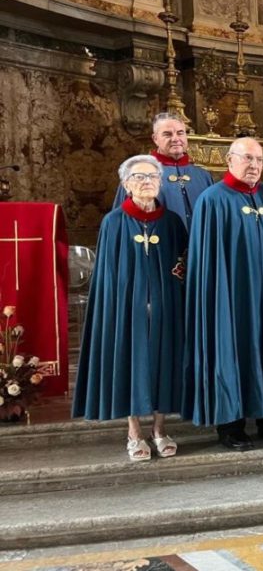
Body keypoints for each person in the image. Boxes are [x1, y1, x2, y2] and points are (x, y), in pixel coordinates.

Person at [184, 138, 263, 451]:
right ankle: (231, 424)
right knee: (232, 350)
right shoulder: (213, 199)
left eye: (259, 160)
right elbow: (207, 259)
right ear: (230, 160)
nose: (254, 166)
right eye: (247, 159)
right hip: (231, 295)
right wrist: (220, 296)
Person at [74, 155, 187, 461]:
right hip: (127, 309)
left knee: (163, 364)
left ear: (160, 183)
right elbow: (109, 275)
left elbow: (182, 264)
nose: (146, 182)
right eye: (138, 177)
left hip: (166, 307)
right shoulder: (113, 222)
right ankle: (134, 431)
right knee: (132, 363)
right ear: (125, 185)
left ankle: (160, 429)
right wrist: (126, 302)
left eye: (152, 177)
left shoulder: (173, 222)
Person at [113, 113, 214, 228]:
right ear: (155, 139)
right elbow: (119, 224)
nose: (175, 139)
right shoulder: (136, 176)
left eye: (180, 133)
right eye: (167, 134)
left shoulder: (203, 176)